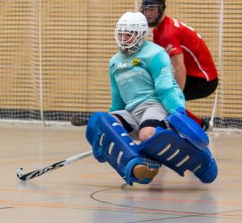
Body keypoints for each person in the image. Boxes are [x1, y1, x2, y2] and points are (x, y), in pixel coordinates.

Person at [84, 11, 216, 185]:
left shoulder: (155, 53)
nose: (124, 38)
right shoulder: (114, 62)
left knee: (147, 135)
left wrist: (178, 112)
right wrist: (108, 133)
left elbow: (166, 89)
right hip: (132, 111)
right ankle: (136, 165)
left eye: (129, 34)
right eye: (121, 33)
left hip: (155, 106)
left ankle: (200, 159)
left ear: (141, 34)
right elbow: (117, 101)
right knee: (102, 121)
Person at [140, 0, 218, 129]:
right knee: (156, 93)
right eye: (146, 10)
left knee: (162, 98)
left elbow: (179, 67)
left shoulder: (167, 33)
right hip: (194, 74)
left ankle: (197, 126)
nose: (148, 14)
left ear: (161, 10)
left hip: (203, 80)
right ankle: (200, 125)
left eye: (152, 10)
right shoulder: (159, 31)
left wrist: (175, 96)